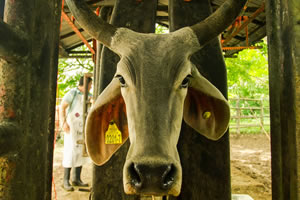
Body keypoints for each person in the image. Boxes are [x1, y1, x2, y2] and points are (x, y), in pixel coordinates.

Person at [59, 76, 92, 191]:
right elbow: (62, 107)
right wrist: (63, 123)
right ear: (86, 84)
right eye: (90, 84)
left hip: (82, 127)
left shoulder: (89, 95)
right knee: (70, 152)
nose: (91, 87)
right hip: (71, 127)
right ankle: (65, 181)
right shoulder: (72, 93)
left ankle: (76, 179)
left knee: (80, 152)